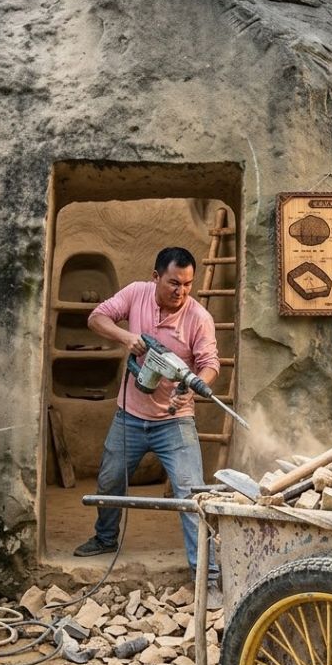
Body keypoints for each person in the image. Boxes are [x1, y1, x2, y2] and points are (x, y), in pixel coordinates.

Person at [73, 246, 221, 582]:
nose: (180, 291)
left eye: (187, 284)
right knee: (110, 481)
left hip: (176, 418)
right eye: (173, 283)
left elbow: (211, 364)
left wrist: (195, 383)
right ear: (155, 277)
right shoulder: (135, 293)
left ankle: (207, 574)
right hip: (129, 415)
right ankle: (106, 538)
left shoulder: (199, 317)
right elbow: (96, 317)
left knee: (191, 493)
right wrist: (128, 337)